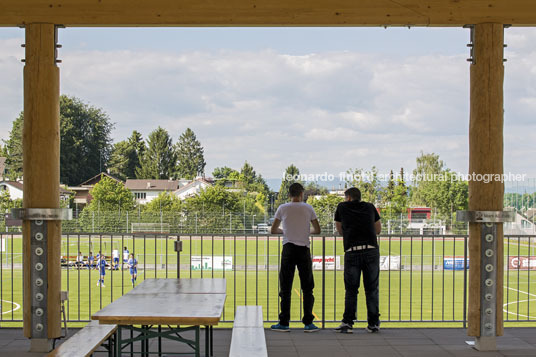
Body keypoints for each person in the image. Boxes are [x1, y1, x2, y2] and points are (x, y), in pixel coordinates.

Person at [270, 182, 321, 332]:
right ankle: (308, 323)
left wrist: (285, 232)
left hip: (288, 249)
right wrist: (306, 232)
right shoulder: (308, 208)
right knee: (307, 287)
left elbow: (274, 230)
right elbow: (317, 230)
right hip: (303, 249)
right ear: (301, 194)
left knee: (285, 287)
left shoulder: (282, 208)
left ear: (289, 194)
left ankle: (284, 322)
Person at [334, 187, 381, 334]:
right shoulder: (370, 207)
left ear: (348, 198)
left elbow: (340, 230)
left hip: (352, 252)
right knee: (372, 289)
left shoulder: (342, 207)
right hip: (371, 251)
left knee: (351, 290)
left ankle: (348, 322)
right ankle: (373, 323)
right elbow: (378, 229)